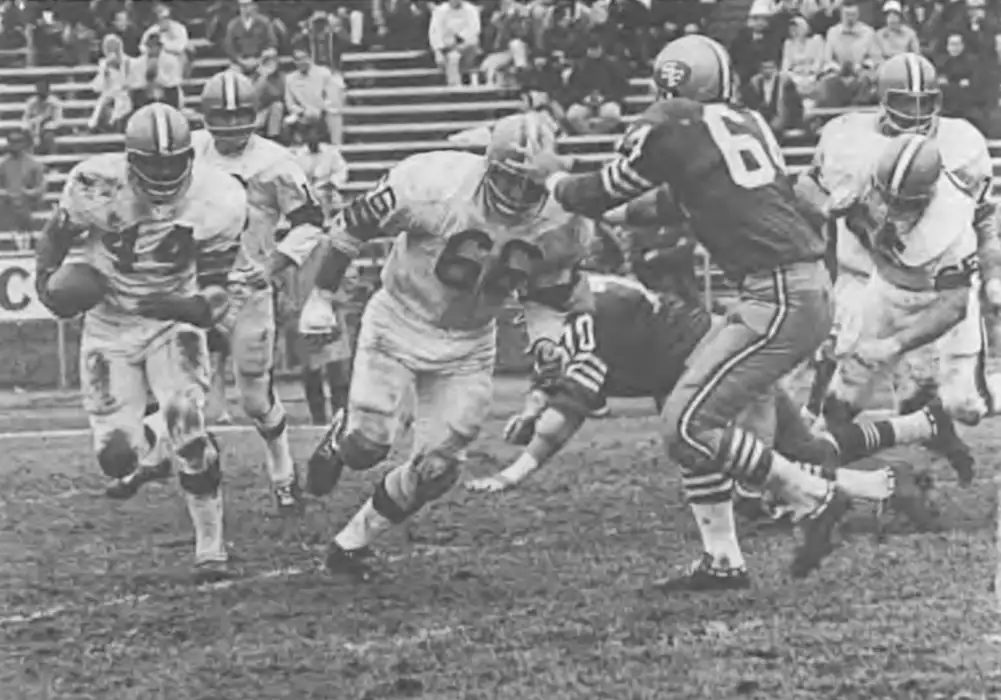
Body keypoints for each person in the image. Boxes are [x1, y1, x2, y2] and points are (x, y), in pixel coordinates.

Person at [511, 34, 848, 587]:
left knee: (686, 428)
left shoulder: (671, 120)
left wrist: (552, 174)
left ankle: (813, 495)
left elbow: (593, 192)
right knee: (698, 415)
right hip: (787, 289)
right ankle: (724, 560)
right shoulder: (746, 123)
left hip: (780, 294)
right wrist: (622, 216)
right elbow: (681, 198)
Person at [297, 112, 602, 580]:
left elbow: (545, 293)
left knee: (438, 468)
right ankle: (342, 438)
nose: (520, 197)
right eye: (510, 181)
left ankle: (351, 543)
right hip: (400, 317)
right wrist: (321, 296)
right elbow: (350, 226)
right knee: (369, 444)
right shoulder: (435, 183)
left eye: (531, 185)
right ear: (488, 166)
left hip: (470, 342)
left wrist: (544, 340)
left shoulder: (564, 219)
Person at [464, 269, 938, 533]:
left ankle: (878, 485)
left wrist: (515, 471)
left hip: (710, 365)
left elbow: (566, 416)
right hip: (712, 353)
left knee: (753, 469)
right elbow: (556, 368)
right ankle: (917, 431)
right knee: (807, 452)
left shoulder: (593, 316)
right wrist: (533, 403)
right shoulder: (590, 295)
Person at [32, 103, 249, 583]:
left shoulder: (220, 197)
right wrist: (46, 283)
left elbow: (215, 281)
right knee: (116, 456)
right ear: (132, 160)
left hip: (170, 322)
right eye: (153, 163)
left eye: (173, 163)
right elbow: (56, 233)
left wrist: (197, 308)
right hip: (108, 324)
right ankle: (150, 434)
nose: (164, 173)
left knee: (189, 428)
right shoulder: (95, 184)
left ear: (190, 157)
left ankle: (210, 546)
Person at [804, 52, 1000, 486]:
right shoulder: (847, 138)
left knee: (942, 398)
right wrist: (828, 209)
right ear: (880, 98)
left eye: (923, 101)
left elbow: (984, 219)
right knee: (843, 381)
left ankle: (922, 449)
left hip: (931, 286)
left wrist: (992, 276)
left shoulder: (958, 156)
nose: (914, 115)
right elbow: (806, 187)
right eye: (903, 102)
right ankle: (814, 463)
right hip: (864, 279)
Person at [191, 69, 326, 514]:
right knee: (184, 391)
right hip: (193, 289)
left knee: (253, 397)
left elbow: (310, 221)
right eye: (220, 117)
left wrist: (273, 265)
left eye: (239, 116)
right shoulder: (189, 150)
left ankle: (283, 472)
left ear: (254, 115)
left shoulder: (275, 161)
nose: (230, 127)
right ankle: (197, 475)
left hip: (246, 290)